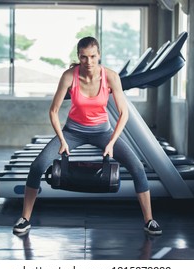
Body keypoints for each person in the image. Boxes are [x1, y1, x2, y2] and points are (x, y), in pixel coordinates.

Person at [13, 36, 162, 235]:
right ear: (79, 57)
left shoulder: (110, 77)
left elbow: (123, 113)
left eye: (93, 56)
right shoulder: (69, 76)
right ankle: (25, 218)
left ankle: (149, 220)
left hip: (103, 132)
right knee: (38, 166)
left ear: (99, 55)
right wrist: (63, 140)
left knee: (136, 167)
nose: (89, 62)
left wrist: (111, 142)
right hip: (73, 132)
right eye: (84, 57)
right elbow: (53, 111)